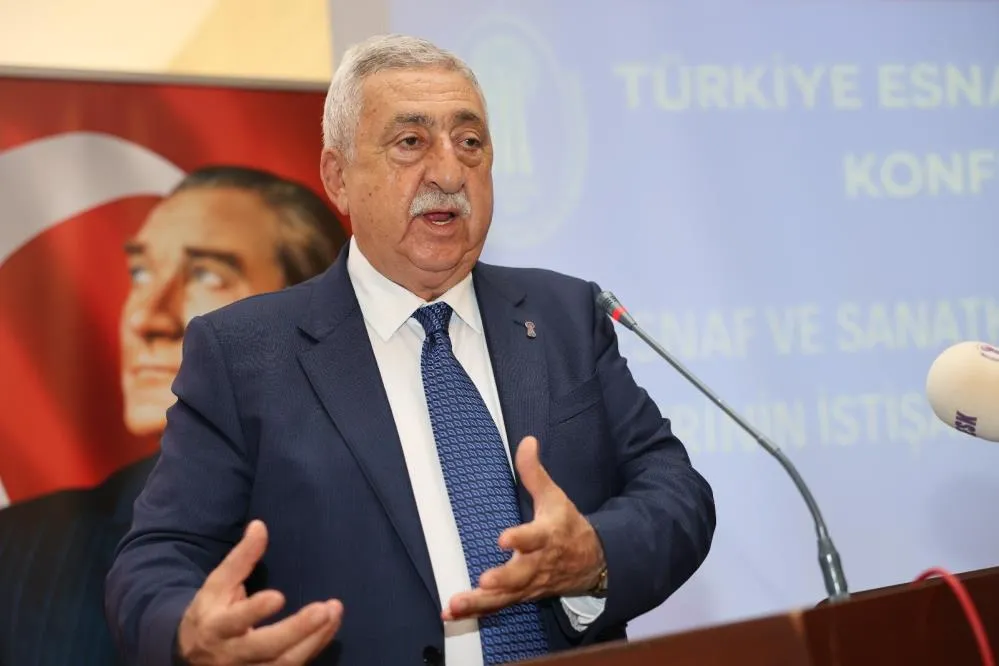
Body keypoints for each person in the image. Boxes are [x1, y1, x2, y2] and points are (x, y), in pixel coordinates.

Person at [105, 35, 716, 666]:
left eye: (469, 142)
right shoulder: (244, 354)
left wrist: (595, 555)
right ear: (338, 178)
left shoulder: (564, 316)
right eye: (410, 142)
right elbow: (156, 558)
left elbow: (676, 492)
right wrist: (188, 632)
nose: (449, 173)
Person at [0, 165, 347, 666]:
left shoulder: (405, 519)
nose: (146, 317)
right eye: (141, 273)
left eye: (207, 274)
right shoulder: (20, 553)